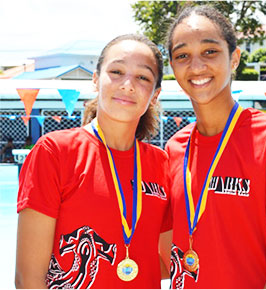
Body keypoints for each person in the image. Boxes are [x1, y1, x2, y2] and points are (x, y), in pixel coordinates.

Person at [163, 5, 266, 289]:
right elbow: (162, 256)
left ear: (234, 58)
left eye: (210, 51)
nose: (196, 66)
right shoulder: (174, 148)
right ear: (172, 67)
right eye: (182, 56)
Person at [16, 34, 170, 288]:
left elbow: (170, 260)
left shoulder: (161, 164)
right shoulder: (55, 152)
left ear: (155, 95)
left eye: (143, 77)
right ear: (96, 80)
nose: (128, 85)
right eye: (117, 71)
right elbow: (28, 279)